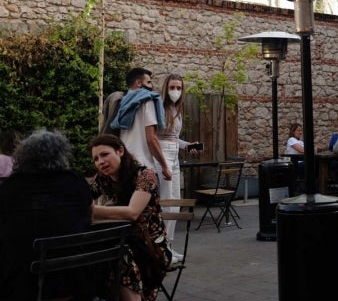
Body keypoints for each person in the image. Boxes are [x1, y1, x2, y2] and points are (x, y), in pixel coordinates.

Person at [0, 130, 93, 300]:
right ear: (62, 154)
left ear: (22, 156)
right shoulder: (75, 182)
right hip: (73, 283)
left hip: (19, 286)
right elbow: (89, 219)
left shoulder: (9, 188)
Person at [89, 134, 171, 301]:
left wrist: (92, 210)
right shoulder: (102, 179)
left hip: (150, 245)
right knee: (92, 255)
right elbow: (81, 198)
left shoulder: (145, 175)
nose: (100, 162)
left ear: (120, 151)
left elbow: (133, 212)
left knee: (117, 257)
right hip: (121, 238)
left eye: (105, 154)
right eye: (96, 158)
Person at [156, 73, 193, 263]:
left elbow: (174, 138)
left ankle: (169, 245)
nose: (176, 91)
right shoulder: (159, 108)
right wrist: (162, 163)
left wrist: (189, 145)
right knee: (166, 201)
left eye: (179, 88)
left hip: (174, 154)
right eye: (172, 87)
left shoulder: (176, 110)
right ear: (166, 88)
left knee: (176, 201)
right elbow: (156, 137)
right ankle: (161, 248)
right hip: (162, 154)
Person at [111, 67, 171, 182]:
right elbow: (151, 138)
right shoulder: (147, 100)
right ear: (138, 83)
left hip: (124, 165)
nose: (151, 86)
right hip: (143, 167)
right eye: (148, 82)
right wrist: (164, 166)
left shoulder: (121, 103)